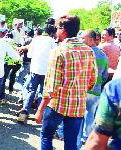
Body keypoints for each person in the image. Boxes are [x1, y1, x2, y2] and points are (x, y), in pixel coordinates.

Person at [34, 15, 97, 150]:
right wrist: (79, 89)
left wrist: (40, 110)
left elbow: (51, 87)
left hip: (57, 104)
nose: (56, 31)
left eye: (57, 28)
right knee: (71, 142)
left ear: (63, 30)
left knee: (46, 136)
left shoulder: (59, 51)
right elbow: (93, 80)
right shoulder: (89, 51)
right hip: (78, 106)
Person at [17, 25, 57, 123]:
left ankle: (24, 111)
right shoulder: (52, 41)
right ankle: (40, 114)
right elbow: (55, 56)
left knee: (31, 91)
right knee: (43, 92)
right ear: (52, 33)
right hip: (47, 71)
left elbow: (30, 55)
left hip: (35, 69)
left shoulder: (36, 40)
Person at [77, 30, 109, 148]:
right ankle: (87, 138)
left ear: (90, 40)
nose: (81, 41)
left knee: (79, 116)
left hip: (82, 90)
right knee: (90, 115)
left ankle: (78, 141)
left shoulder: (84, 53)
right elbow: (105, 75)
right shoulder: (103, 55)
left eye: (83, 39)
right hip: (96, 91)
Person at [84, 78, 121, 150]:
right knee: (90, 114)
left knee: (85, 115)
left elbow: (97, 142)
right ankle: (85, 134)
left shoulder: (115, 88)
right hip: (96, 92)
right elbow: (104, 77)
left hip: (87, 92)